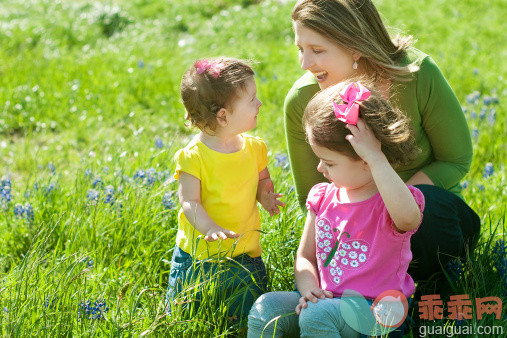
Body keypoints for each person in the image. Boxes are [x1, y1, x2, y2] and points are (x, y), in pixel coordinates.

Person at [284, 0, 480, 284]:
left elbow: (455, 160)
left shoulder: (416, 73)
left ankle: (430, 295)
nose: (305, 63)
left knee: (428, 211)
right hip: (357, 232)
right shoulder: (302, 99)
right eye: (300, 49)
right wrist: (367, 222)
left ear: (356, 45)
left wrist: (394, 204)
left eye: (317, 50)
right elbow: (311, 195)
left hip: (430, 218)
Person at [248, 80, 425, 337]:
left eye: (328, 162)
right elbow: (306, 257)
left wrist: (377, 157)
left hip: (377, 311)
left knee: (318, 316)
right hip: (325, 302)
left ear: (366, 161)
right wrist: (309, 288)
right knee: (267, 309)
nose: (320, 169)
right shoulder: (322, 197)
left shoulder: (392, 203)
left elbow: (410, 220)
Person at [165, 57, 285, 324]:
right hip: (198, 260)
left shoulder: (255, 148)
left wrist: (265, 194)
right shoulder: (193, 157)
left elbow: (261, 180)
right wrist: (209, 227)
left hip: (245, 254)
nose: (260, 103)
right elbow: (189, 202)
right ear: (223, 116)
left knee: (245, 318)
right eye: (252, 99)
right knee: (188, 318)